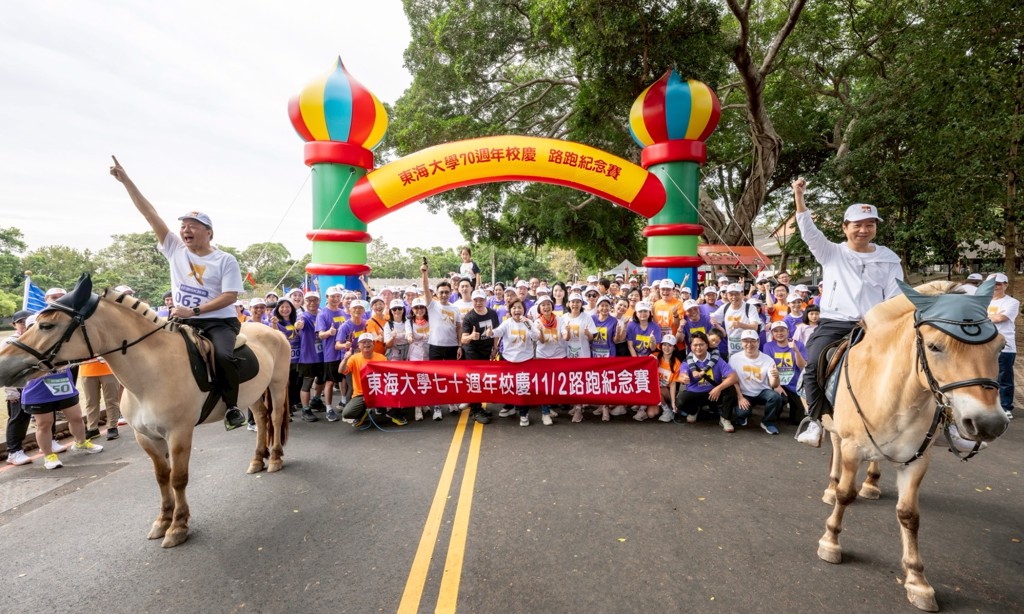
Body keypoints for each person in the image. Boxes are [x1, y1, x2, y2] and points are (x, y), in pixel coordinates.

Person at [110, 156, 246, 430]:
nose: (185, 230)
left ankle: (232, 408)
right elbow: (150, 214)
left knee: (223, 356)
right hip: (182, 320)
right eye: (183, 226)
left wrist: (194, 311)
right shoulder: (175, 248)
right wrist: (126, 181)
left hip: (218, 321)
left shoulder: (225, 260)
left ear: (208, 232)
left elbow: (231, 296)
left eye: (192, 226)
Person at [792, 177, 903, 446]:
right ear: (845, 227)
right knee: (814, 364)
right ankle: (814, 421)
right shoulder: (831, 252)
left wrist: (880, 320)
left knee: (916, 360)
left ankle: (941, 421)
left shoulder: (888, 258)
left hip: (876, 327)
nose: (863, 230)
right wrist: (799, 194)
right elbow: (808, 230)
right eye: (857, 225)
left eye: (870, 224)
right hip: (836, 324)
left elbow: (896, 297)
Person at [20, 315, 104, 469]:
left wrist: (94, 357)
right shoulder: (23, 347)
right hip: (39, 392)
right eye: (33, 326)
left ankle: (81, 443)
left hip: (63, 386)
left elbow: (76, 356)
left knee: (77, 418)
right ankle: (49, 456)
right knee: (44, 424)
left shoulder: (60, 343)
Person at [5, 310, 68, 466]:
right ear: (14, 325)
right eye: (21, 322)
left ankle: (49, 441)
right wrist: (11, 391)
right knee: (19, 418)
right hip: (19, 386)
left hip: (40, 385)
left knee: (47, 415)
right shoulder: (10, 342)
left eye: (27, 321)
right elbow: (7, 367)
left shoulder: (39, 340)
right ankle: (14, 451)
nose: (25, 324)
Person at [672, 331, 738, 430]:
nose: (698, 348)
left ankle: (725, 418)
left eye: (701, 344)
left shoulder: (716, 359)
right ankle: (694, 411)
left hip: (713, 393)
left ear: (707, 345)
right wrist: (683, 378)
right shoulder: (687, 362)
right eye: (695, 345)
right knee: (681, 400)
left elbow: (734, 377)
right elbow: (682, 375)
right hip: (695, 394)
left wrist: (719, 388)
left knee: (730, 389)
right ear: (691, 346)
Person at [422, 261, 463, 418]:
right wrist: (424, 273)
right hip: (435, 346)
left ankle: (451, 402)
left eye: (447, 292)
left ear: (451, 292)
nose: (444, 295)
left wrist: (459, 346)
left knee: (451, 377)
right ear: (437, 294)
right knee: (435, 377)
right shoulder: (432, 306)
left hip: (452, 346)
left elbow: (459, 328)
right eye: (441, 292)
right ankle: (437, 406)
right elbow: (425, 288)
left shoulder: (455, 308)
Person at [340, 334, 406, 427]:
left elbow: (389, 375)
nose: (366, 344)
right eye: (363, 342)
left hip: (379, 391)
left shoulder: (381, 358)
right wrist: (345, 359)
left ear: (373, 344)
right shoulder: (354, 358)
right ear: (358, 345)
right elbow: (341, 371)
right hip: (361, 394)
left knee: (398, 389)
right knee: (347, 413)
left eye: (369, 341)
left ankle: (394, 413)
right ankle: (362, 414)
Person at [730, 329, 783, 434]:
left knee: (776, 397)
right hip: (744, 393)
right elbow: (732, 380)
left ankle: (768, 422)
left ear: (758, 341)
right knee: (742, 413)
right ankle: (742, 416)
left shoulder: (767, 359)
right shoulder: (734, 358)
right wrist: (740, 397)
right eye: (746, 341)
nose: (749, 344)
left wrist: (776, 377)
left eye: (752, 341)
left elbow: (773, 384)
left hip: (761, 391)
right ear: (741, 343)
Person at [460, 289, 500, 424]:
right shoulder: (469, 317)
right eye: (475, 300)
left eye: (481, 300)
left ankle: (478, 406)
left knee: (483, 380)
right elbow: (463, 339)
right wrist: (471, 336)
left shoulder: (493, 314)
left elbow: (496, 332)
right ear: (472, 301)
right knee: (475, 380)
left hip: (487, 351)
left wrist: (495, 348)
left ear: (485, 300)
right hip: (472, 352)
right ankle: (476, 410)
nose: (478, 303)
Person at [761, 321, 808, 426]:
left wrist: (796, 351)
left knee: (797, 420)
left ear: (787, 331)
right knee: (779, 399)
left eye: (782, 330)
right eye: (776, 331)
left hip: (794, 384)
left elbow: (802, 365)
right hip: (776, 382)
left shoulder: (798, 344)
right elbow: (768, 367)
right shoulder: (768, 346)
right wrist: (776, 385)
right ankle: (774, 414)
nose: (779, 333)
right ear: (772, 334)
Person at [987, 273, 1018, 419]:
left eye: (998, 284)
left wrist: (982, 317)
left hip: (1005, 345)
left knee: (1004, 377)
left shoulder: (1012, 302)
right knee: (985, 377)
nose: (995, 287)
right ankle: (989, 405)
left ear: (1005, 285)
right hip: (983, 346)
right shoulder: (981, 301)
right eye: (992, 284)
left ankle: (1005, 407)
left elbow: (1000, 318)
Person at [317, 286, 347, 419]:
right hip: (331, 353)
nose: (336, 299)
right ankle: (329, 408)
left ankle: (344, 400)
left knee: (344, 378)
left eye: (338, 296)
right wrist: (329, 332)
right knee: (329, 381)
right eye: (333, 296)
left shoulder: (343, 312)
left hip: (344, 352)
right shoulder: (322, 314)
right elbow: (320, 335)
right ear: (327, 298)